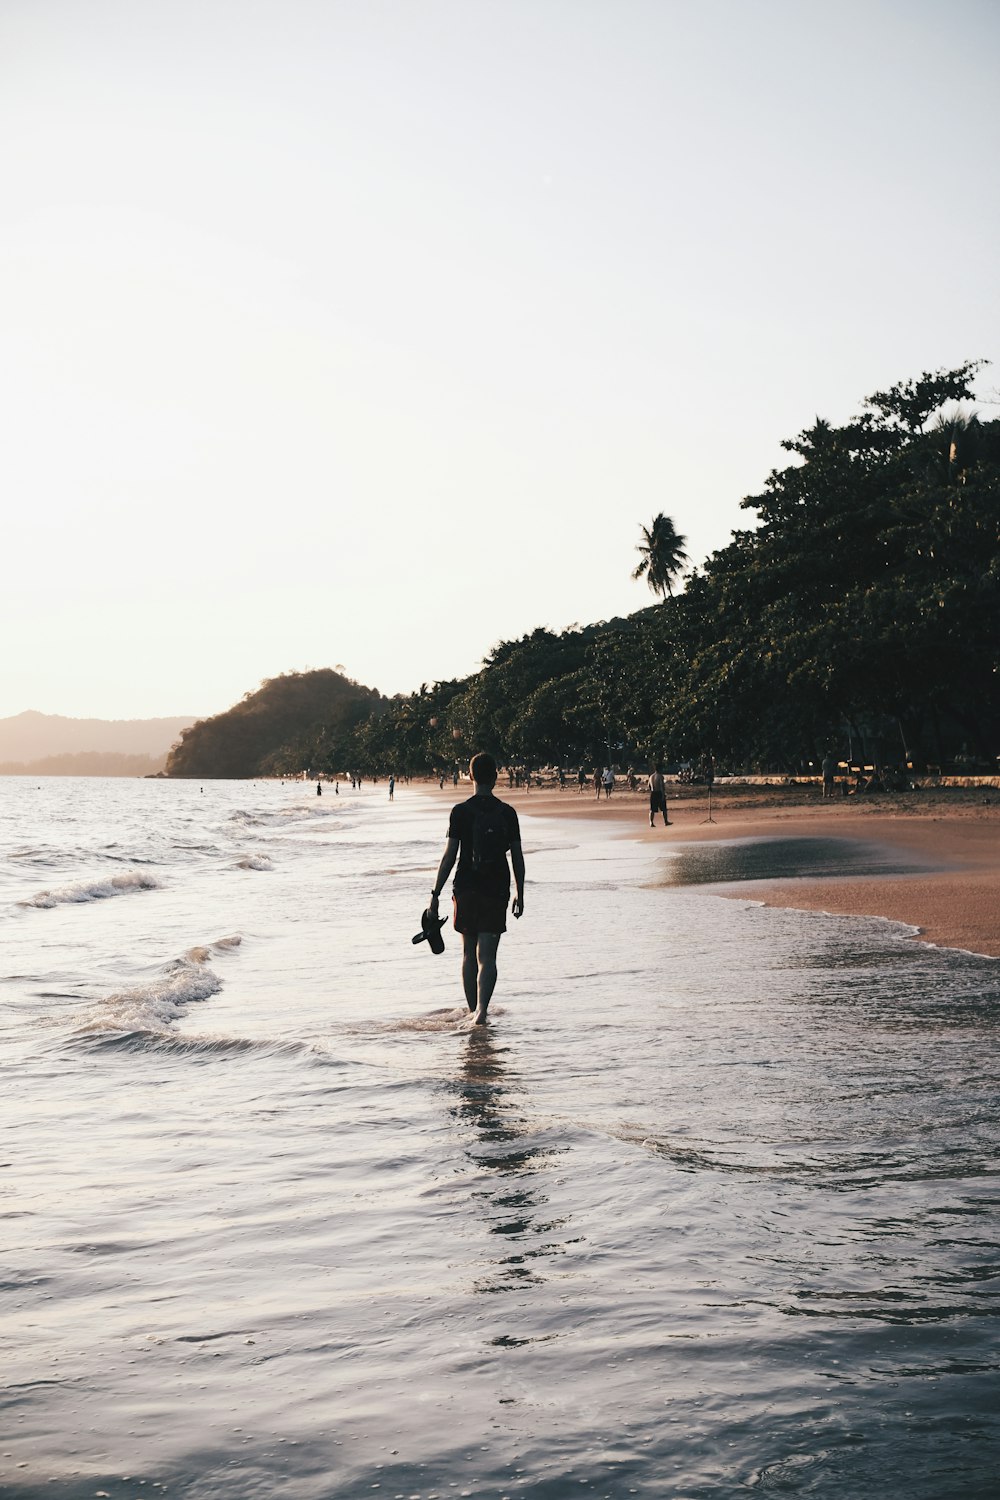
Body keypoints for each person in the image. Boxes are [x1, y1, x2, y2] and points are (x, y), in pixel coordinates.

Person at [429, 752, 525, 1024]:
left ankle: (473, 1011)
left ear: (469, 776)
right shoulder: (508, 813)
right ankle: (483, 1010)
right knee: (488, 956)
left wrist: (435, 894)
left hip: (467, 887)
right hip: (497, 887)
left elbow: (449, 856)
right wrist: (520, 891)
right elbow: (517, 856)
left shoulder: (460, 812)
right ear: (495, 777)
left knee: (468, 953)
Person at [648, 762, 670, 827]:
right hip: (659, 793)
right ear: (660, 769)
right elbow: (661, 786)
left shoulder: (651, 776)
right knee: (664, 809)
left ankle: (651, 822)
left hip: (653, 793)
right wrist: (663, 795)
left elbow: (649, 786)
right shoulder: (660, 776)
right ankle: (666, 821)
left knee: (652, 809)